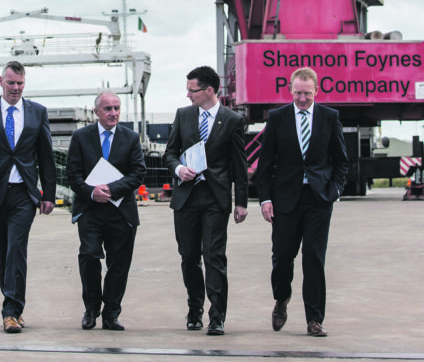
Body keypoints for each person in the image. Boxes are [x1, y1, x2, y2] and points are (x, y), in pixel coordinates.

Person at [253, 67, 349, 337]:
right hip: (285, 199)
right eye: (298, 93)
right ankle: (281, 299)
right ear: (290, 90)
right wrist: (265, 199)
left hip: (318, 199)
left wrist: (335, 191)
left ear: (316, 91)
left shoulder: (330, 118)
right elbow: (266, 164)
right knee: (283, 257)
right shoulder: (278, 117)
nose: (302, 98)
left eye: (307, 93)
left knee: (314, 259)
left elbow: (341, 161)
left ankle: (314, 319)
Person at [0, 60, 57, 333]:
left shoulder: (38, 112)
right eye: (11, 83)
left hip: (24, 195)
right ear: (1, 81)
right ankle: (15, 306)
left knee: (16, 248)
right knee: (0, 253)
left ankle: (10, 312)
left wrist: (48, 194)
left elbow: (46, 157)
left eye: (20, 84)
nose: (16, 88)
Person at [163, 65, 248, 336]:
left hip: (215, 198)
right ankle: (194, 310)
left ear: (209, 90)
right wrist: (178, 169)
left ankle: (217, 316)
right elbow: (170, 153)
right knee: (189, 257)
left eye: (192, 90)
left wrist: (241, 201)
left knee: (214, 257)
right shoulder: (184, 115)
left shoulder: (232, 120)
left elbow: (239, 164)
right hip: (187, 197)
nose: (188, 95)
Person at [66, 91, 146, 331]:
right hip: (91, 209)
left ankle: (111, 313)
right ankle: (91, 309)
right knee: (89, 256)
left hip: (121, 210)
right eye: (108, 108)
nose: (114, 113)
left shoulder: (131, 138)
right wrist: (92, 192)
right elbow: (73, 174)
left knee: (119, 263)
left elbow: (138, 172)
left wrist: (110, 189)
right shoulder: (81, 137)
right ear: (97, 112)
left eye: (117, 108)